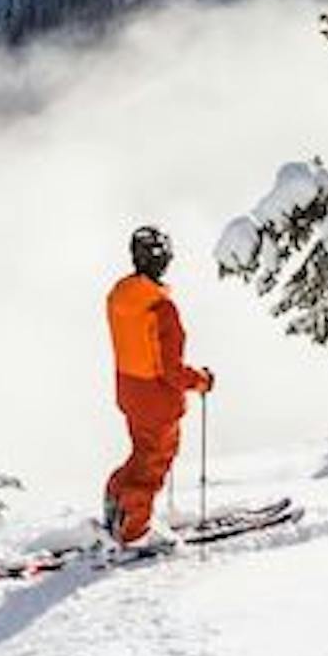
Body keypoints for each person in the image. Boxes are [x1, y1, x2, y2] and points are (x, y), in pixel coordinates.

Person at [103, 222, 213, 545]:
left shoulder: (120, 297)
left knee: (140, 454)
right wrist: (202, 380)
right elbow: (172, 371)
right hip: (157, 400)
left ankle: (117, 499)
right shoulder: (160, 309)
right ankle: (134, 531)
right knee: (153, 464)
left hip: (130, 391)